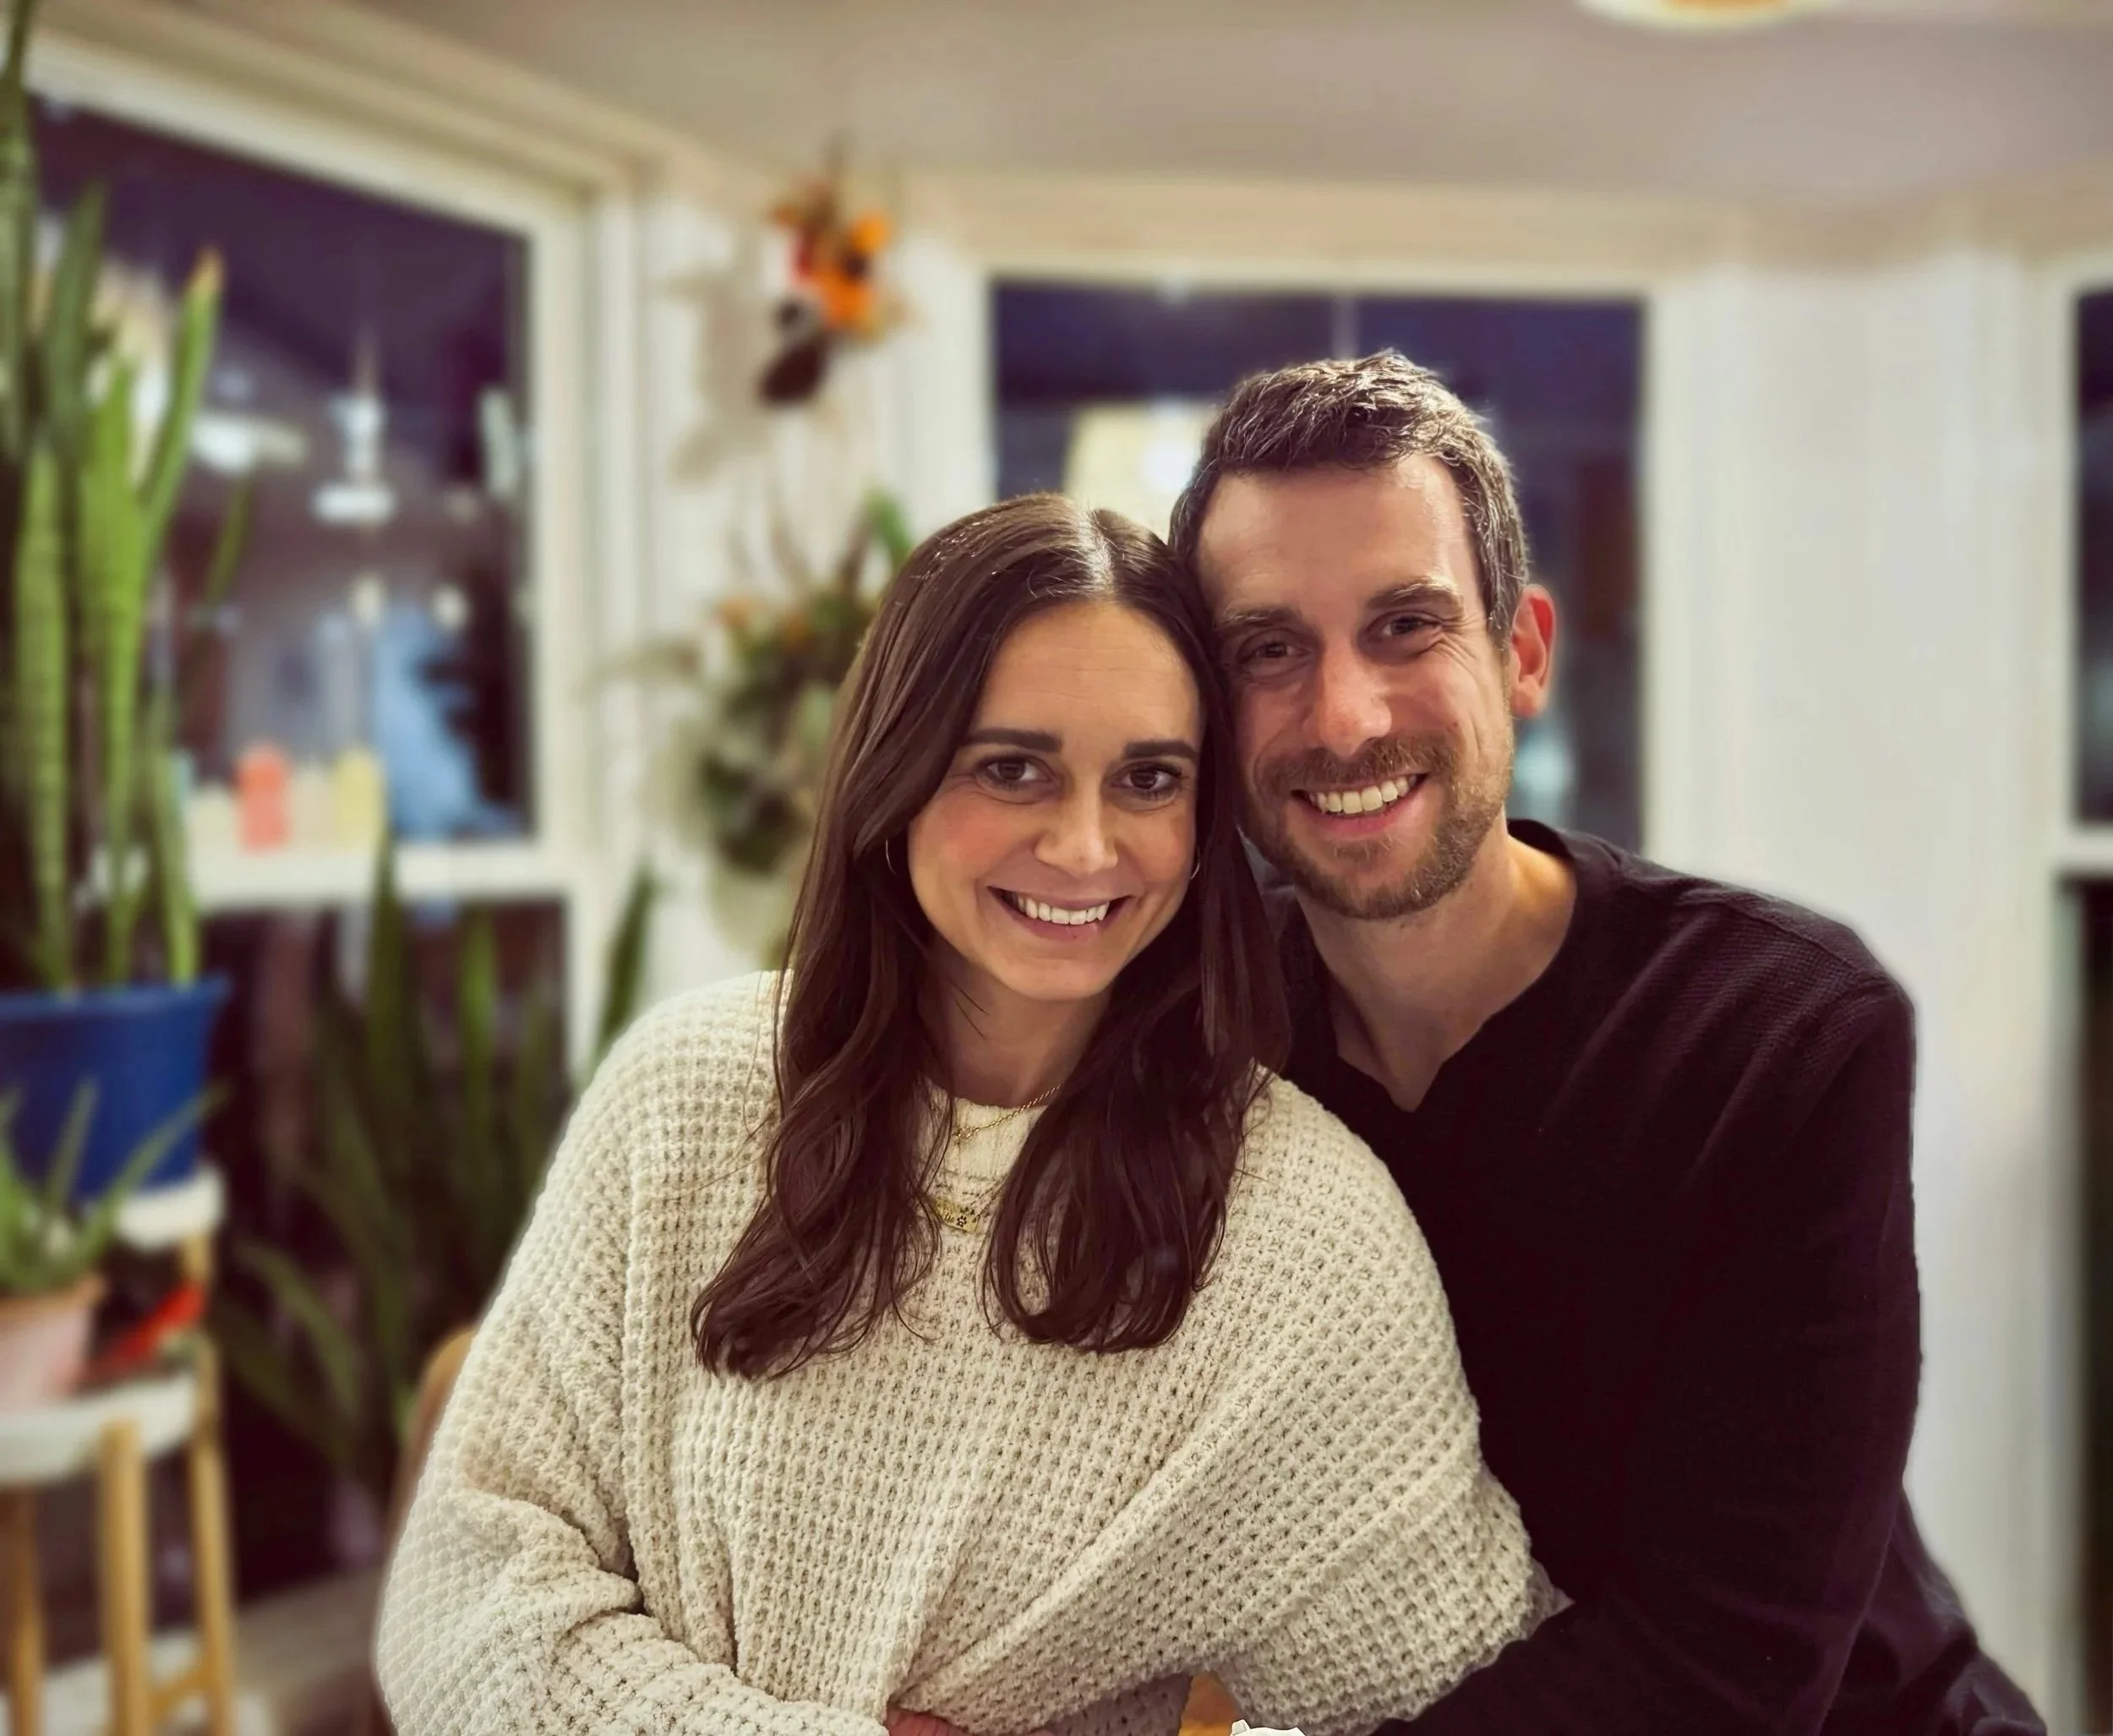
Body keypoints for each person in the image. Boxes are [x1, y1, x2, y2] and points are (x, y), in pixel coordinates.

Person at [375, 494, 1550, 1736]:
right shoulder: (683, 1091)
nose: (1087, 845)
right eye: (1012, 766)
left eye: (1149, 779)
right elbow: (455, 1605)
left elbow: (1478, 1693)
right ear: (897, 773)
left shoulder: (1301, 1237)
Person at [1168, 351, 2046, 1735]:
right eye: (1269, 650)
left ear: (1521, 653)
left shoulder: (1783, 1037)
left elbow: (1722, 1673)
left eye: (1406, 627)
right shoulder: (1198, 1048)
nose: (1343, 717)